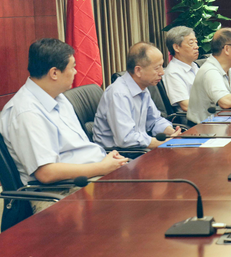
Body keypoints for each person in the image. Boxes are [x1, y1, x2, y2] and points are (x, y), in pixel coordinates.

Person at [0, 39, 128, 187]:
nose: (76, 72)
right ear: (54, 73)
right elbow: (46, 173)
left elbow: (78, 148)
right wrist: (101, 167)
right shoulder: (26, 113)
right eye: (72, 67)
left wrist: (106, 161)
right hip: (67, 188)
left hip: (93, 172)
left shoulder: (58, 97)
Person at [94, 43, 181, 150]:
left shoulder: (142, 88)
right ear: (138, 71)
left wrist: (173, 133)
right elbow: (126, 139)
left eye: (162, 66)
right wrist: (163, 142)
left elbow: (154, 121)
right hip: (119, 154)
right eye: (157, 68)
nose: (162, 72)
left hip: (138, 149)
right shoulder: (119, 94)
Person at [163, 26, 199, 112]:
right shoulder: (173, 72)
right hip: (192, 118)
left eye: (196, 42)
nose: (196, 47)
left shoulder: (194, 66)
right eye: (191, 43)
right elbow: (186, 105)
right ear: (176, 47)